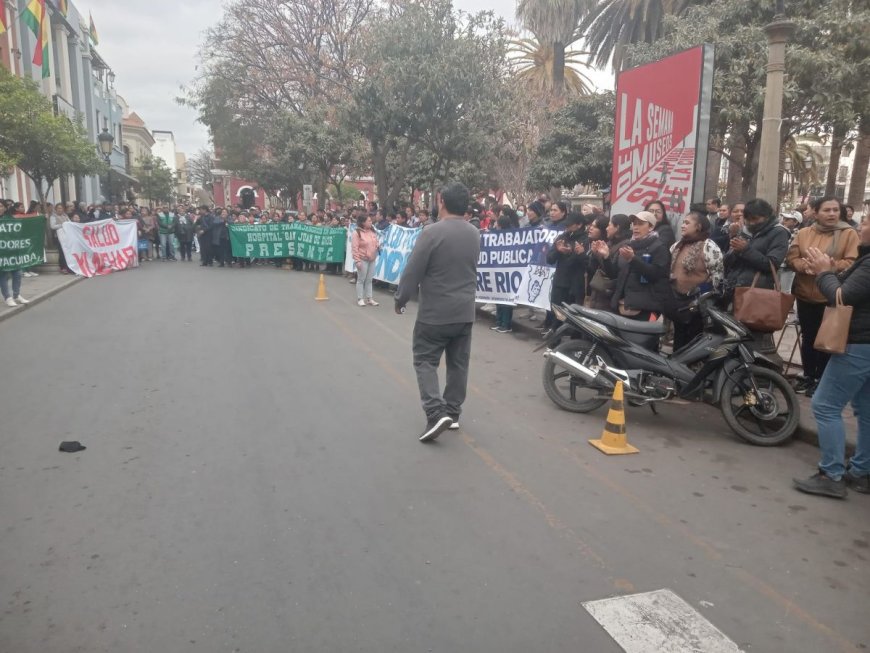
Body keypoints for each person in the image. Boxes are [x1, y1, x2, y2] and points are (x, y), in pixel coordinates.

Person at [394, 182, 480, 443]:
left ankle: (435, 412)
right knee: (458, 363)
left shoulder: (431, 233)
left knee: (424, 360)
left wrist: (401, 298)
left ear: (440, 200)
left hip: (435, 313)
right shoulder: (474, 233)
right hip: (465, 311)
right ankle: (452, 413)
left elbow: (413, 270)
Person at [793, 214, 870, 498]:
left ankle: (831, 474)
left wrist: (824, 273)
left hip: (859, 344)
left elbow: (841, 297)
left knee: (825, 405)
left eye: (867, 222)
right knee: (866, 409)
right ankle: (862, 471)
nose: (861, 226)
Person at [786, 197, 859, 397]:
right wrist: (805, 266)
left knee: (827, 340)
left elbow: (853, 262)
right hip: (805, 294)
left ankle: (823, 380)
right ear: (816, 213)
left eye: (835, 210)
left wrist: (828, 268)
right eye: (827, 210)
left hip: (830, 295)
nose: (832, 214)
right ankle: (809, 376)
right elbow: (792, 258)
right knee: (808, 337)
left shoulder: (848, 234)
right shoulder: (803, 233)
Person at [591, 210, 671, 321]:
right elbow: (614, 274)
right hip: (621, 305)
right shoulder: (628, 245)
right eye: (634, 224)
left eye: (641, 224)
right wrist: (606, 257)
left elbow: (656, 275)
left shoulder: (659, 247)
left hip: (644, 309)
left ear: (651, 227)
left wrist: (633, 259)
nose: (636, 227)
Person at [667, 211, 724, 349]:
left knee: (693, 341)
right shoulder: (677, 246)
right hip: (677, 302)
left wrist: (705, 300)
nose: (682, 226)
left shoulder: (709, 247)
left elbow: (717, 278)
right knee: (678, 338)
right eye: (683, 222)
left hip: (697, 305)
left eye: (687, 223)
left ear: (698, 226)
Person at [722, 198, 789, 307]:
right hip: (733, 288)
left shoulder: (779, 232)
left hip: (756, 292)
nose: (751, 223)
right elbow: (727, 262)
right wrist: (734, 239)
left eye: (755, 219)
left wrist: (746, 250)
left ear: (767, 216)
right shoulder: (743, 230)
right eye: (748, 219)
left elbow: (772, 264)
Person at [544, 212, 588, 333]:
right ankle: (553, 342)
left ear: (579, 225)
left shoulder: (586, 239)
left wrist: (576, 253)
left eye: (570, 225)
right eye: (566, 225)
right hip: (560, 282)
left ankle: (573, 346)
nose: (567, 227)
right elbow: (550, 259)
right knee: (556, 314)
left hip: (575, 286)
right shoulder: (562, 237)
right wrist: (558, 251)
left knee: (573, 318)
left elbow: (587, 264)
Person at [588, 214, 631, 311]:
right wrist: (595, 254)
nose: (607, 228)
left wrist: (606, 257)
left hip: (609, 296)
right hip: (598, 294)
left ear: (617, 227)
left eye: (609, 225)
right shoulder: (610, 243)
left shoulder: (625, 246)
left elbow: (614, 274)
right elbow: (593, 269)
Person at [491, 214, 516, 333]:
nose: (495, 225)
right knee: (499, 298)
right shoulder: (497, 236)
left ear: (500, 225)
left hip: (508, 272)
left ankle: (506, 324)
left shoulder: (513, 236)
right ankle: (499, 322)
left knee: (506, 300)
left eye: (496, 223)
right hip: (499, 270)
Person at [352, 213, 380, 307]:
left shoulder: (372, 231)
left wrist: (377, 245)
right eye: (369, 221)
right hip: (363, 259)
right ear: (363, 222)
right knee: (361, 279)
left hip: (372, 259)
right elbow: (355, 248)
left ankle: (369, 298)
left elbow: (375, 241)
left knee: (369, 280)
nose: (371, 222)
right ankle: (360, 298)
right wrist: (357, 261)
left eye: (371, 221)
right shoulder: (357, 233)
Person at [49, 202, 71, 274]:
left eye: (61, 208)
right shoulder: (53, 216)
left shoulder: (65, 216)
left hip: (67, 236)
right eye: (58, 208)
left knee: (68, 251)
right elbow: (52, 226)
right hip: (59, 237)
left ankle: (68, 266)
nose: (60, 210)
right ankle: (62, 267)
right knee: (62, 252)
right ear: (56, 209)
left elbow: (70, 224)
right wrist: (63, 225)